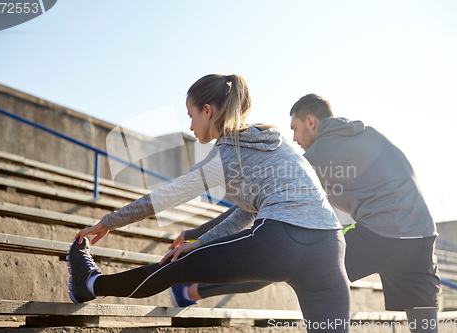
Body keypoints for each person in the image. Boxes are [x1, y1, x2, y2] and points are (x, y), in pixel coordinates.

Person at [67, 75, 351, 332]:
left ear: (207, 111)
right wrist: (202, 241)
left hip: (280, 241)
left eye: (191, 115)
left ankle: (89, 284)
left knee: (174, 265)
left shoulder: (224, 156)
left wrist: (107, 222)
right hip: (329, 247)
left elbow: (164, 197)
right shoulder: (275, 142)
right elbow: (246, 212)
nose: (190, 125)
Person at [169, 94, 440, 333]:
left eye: (295, 129)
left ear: (311, 122)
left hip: (380, 233)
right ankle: (193, 291)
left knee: (281, 260)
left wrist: (198, 234)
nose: (295, 140)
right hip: (423, 238)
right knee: (424, 324)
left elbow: (253, 206)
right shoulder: (367, 134)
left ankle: (189, 291)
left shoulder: (322, 151)